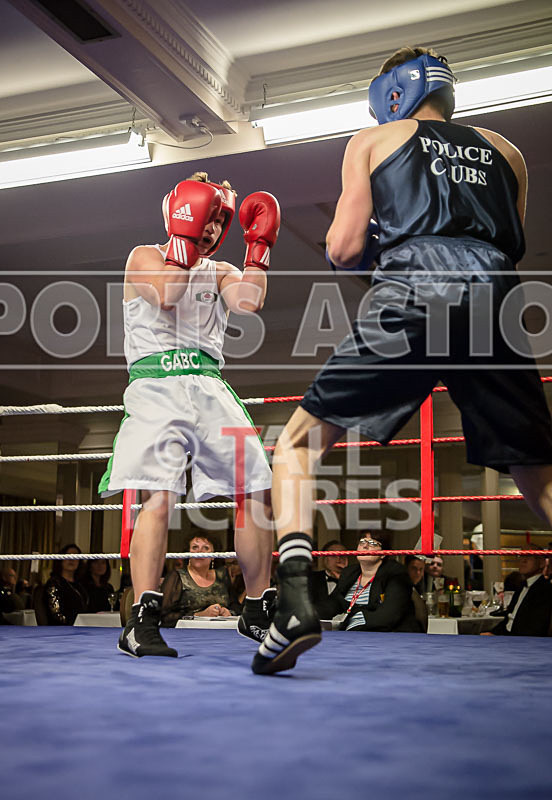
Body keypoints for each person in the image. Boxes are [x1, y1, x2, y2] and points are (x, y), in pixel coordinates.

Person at [253, 45, 552, 674]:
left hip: (415, 289)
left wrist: (387, 262)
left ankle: (297, 602)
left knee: (298, 445)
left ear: (392, 92)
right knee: (538, 474)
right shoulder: (508, 152)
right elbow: (510, 243)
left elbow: (342, 247)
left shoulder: (375, 137)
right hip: (498, 302)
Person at [99, 171, 280, 657]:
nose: (212, 226)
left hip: (209, 385)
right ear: (181, 213)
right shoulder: (144, 256)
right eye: (206, 215)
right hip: (156, 384)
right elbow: (166, 293)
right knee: (159, 496)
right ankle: (142, 618)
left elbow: (251, 300)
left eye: (221, 220)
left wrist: (257, 246)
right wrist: (185, 235)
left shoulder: (219, 270)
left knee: (256, 487)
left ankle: (258, 608)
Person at [315, 534, 421, 632]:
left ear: (383, 554)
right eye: (362, 542)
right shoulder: (349, 573)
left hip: (392, 637)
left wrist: (351, 622)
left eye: (373, 543)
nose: (365, 546)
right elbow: (333, 603)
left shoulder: (396, 573)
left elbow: (388, 616)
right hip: (354, 636)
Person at [161, 533, 241, 626]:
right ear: (188, 553)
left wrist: (228, 612)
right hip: (187, 635)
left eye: (205, 548)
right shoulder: (176, 577)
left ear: (213, 556)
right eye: (195, 547)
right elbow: (164, 616)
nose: (199, 552)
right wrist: (199, 615)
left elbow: (237, 607)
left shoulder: (222, 576)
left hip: (222, 632)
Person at [486, 549, 552, 636]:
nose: (523, 560)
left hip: (523, 641)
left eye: (529, 556)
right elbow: (509, 618)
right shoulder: (521, 587)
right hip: (509, 636)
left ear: (541, 563)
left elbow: (535, 628)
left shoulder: (545, 589)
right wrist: (492, 633)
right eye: (521, 556)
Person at [43, 544, 88, 626]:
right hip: (62, 630)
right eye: (68, 556)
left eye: (75, 557)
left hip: (82, 628)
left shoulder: (80, 585)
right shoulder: (54, 583)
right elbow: (55, 614)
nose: (72, 559)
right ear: (61, 559)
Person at [311, 540, 348, 610]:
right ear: (324, 559)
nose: (338, 560)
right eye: (333, 555)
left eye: (342, 555)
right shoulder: (312, 579)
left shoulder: (354, 580)